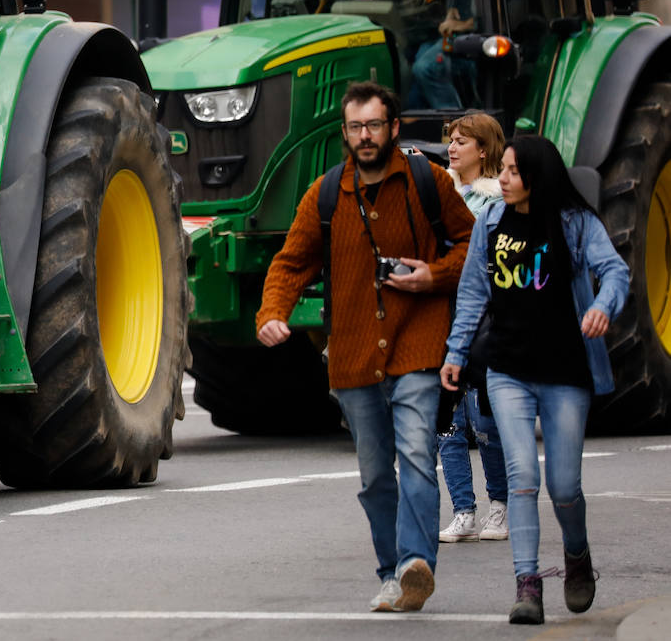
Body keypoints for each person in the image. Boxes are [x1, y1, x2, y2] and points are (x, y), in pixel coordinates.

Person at [256, 81, 474, 613]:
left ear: (394, 128)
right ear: (346, 133)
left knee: (418, 455)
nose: (365, 136)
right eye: (355, 127)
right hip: (353, 355)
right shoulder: (325, 194)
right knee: (376, 474)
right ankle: (390, 571)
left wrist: (434, 276)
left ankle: (414, 564)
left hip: (418, 342)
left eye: (374, 125)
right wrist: (271, 314)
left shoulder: (430, 181)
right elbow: (290, 263)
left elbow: (472, 244)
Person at [442, 135, 629, 625]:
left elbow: (615, 272)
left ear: (536, 177)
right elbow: (472, 293)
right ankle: (527, 584)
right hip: (508, 371)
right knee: (522, 478)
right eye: (501, 169)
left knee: (564, 486)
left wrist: (602, 308)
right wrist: (456, 353)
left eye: (511, 171)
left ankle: (576, 555)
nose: (501, 180)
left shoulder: (576, 223)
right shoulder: (491, 221)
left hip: (566, 372)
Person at [437, 112, 508, 543]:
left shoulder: (496, 202)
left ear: (483, 149)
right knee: (447, 421)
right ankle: (463, 509)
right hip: (440, 315)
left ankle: (499, 504)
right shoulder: (440, 193)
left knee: (485, 422)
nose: (453, 146)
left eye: (462, 140)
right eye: (451, 140)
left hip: (480, 321)